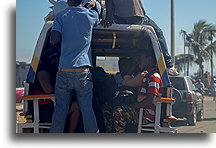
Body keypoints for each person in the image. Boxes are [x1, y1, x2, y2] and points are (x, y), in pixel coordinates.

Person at [49, 0, 99, 133]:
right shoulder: (91, 15)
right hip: (83, 71)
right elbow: (96, 11)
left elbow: (53, 40)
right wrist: (91, 5)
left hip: (64, 70)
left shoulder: (61, 16)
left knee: (60, 112)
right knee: (87, 111)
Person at [102, 0, 178, 75]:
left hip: (119, 18)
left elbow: (109, 2)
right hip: (136, 17)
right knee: (158, 33)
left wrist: (108, 18)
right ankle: (169, 65)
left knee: (133, 41)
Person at [107, 51, 163, 133]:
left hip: (146, 115)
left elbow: (149, 101)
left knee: (119, 111)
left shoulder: (154, 77)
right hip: (141, 111)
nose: (138, 61)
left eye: (141, 58)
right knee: (107, 110)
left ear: (149, 59)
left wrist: (132, 106)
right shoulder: (146, 76)